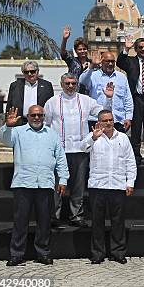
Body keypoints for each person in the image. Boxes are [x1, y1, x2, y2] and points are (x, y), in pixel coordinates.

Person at [0, 105, 68, 266]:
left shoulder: (52, 134)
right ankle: (16, 254)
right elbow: (5, 140)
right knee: (20, 222)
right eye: (33, 115)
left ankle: (43, 253)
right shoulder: (18, 132)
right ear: (27, 117)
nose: (37, 118)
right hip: (23, 183)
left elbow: (60, 159)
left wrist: (63, 179)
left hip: (45, 184)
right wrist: (8, 126)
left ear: (44, 116)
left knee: (44, 222)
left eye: (40, 115)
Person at [44, 73, 114, 228]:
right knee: (57, 184)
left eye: (73, 83)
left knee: (78, 185)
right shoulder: (52, 102)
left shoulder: (85, 100)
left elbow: (103, 114)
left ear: (77, 84)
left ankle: (76, 215)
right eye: (67, 83)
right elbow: (46, 125)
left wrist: (108, 98)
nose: (70, 86)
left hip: (80, 150)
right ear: (61, 84)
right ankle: (53, 215)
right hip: (59, 151)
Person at [81, 110, 136, 264]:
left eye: (110, 120)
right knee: (97, 222)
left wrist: (130, 182)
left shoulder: (123, 138)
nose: (108, 123)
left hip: (117, 186)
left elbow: (130, 161)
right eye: (105, 120)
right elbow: (82, 148)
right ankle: (98, 253)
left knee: (118, 222)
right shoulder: (94, 137)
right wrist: (93, 137)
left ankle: (118, 252)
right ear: (99, 122)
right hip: (98, 186)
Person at [117, 36, 144, 166]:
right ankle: (136, 155)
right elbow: (119, 62)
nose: (143, 49)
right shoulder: (130, 62)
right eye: (140, 47)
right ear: (136, 49)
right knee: (135, 130)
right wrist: (126, 48)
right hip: (136, 99)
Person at [79, 52, 133, 133]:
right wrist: (92, 65)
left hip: (117, 120)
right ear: (101, 62)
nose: (110, 64)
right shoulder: (93, 75)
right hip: (97, 120)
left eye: (112, 61)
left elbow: (127, 98)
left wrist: (128, 117)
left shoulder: (122, 77)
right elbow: (82, 81)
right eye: (107, 61)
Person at [6, 60, 54, 125]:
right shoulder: (15, 86)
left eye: (32, 71)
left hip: (40, 122)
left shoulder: (47, 85)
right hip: (20, 122)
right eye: (26, 72)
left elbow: (51, 106)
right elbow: (9, 105)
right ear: (23, 73)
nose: (29, 74)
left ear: (37, 71)